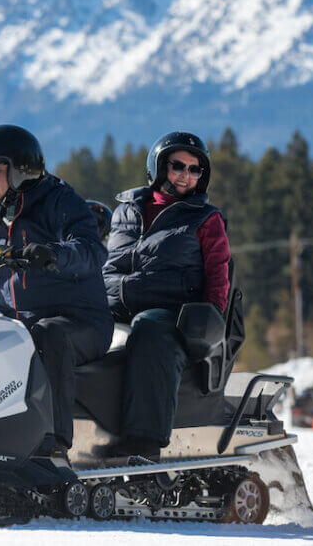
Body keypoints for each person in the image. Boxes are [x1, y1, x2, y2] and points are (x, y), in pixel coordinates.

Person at [0, 124, 113, 466]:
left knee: (48, 335)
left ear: (20, 169)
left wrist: (53, 254)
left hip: (80, 322)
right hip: (20, 323)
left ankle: (52, 448)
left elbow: (91, 250)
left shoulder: (58, 200)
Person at [103, 131, 231, 459]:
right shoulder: (125, 213)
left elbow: (218, 276)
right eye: (178, 166)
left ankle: (144, 442)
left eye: (194, 169)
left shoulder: (205, 219)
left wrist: (210, 318)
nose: (186, 175)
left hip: (171, 314)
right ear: (159, 168)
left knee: (149, 328)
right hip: (112, 307)